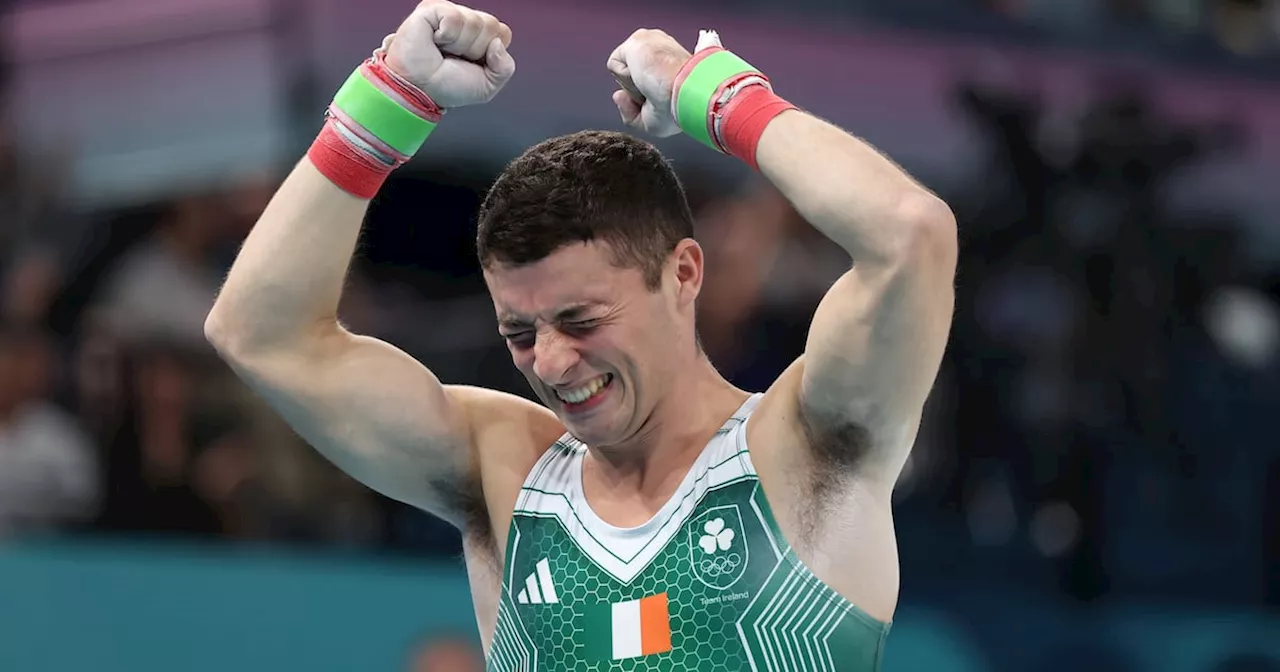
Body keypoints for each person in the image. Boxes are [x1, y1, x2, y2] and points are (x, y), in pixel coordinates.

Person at [205, 1, 957, 669]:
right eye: (520, 331)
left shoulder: (807, 449)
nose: (554, 362)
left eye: (581, 321)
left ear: (684, 274)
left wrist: (713, 93)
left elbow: (909, 234)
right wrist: (384, 104)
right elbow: (259, 334)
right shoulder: (503, 470)